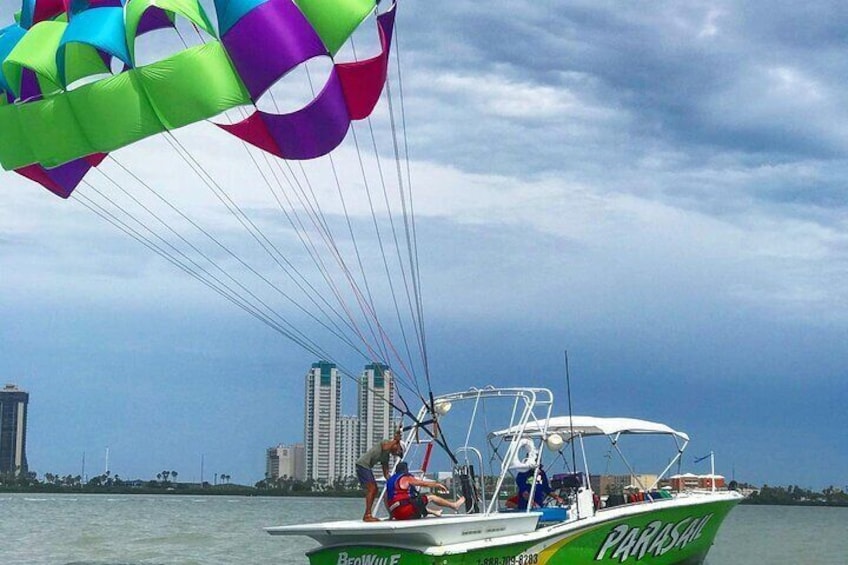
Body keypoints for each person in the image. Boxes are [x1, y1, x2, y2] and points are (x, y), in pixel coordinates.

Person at [385, 461, 466, 520]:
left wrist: (391, 515)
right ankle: (454, 505)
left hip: (396, 514)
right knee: (430, 497)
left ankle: (435, 512)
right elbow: (423, 483)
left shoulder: (390, 481)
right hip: (405, 512)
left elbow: (385, 499)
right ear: (406, 470)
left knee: (415, 503)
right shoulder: (406, 478)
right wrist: (437, 484)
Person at [356, 435, 404, 522]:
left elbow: (386, 474)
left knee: (375, 489)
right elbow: (385, 448)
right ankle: (367, 515)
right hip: (363, 464)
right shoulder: (385, 442)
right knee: (372, 488)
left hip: (366, 467)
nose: (396, 454)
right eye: (398, 451)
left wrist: (393, 482)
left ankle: (367, 514)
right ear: (397, 445)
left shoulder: (386, 457)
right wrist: (395, 440)